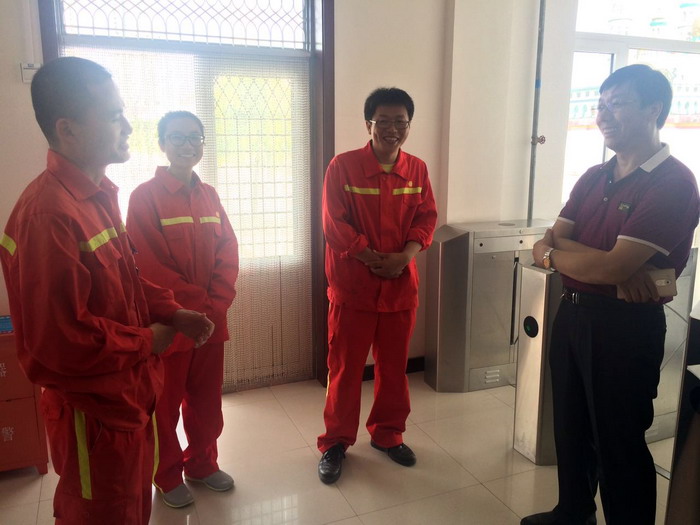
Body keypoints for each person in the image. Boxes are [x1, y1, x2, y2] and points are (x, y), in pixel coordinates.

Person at [0, 57, 215, 525]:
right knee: (101, 514)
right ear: (68, 129)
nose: (128, 126)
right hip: (92, 415)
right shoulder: (49, 215)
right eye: (114, 116)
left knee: (130, 510)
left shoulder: (95, 195)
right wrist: (150, 340)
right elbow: (61, 342)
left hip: (126, 398)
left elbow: (126, 281)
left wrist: (171, 311)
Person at [523, 64, 699, 525]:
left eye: (617, 104)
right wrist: (564, 253)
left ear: (654, 108)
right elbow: (553, 239)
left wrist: (559, 255)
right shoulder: (594, 176)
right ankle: (573, 511)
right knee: (571, 426)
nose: (603, 115)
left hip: (625, 326)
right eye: (600, 105)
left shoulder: (673, 183)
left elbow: (607, 265)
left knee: (618, 442)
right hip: (572, 314)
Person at [317, 87, 437, 484]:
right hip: (354, 288)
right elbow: (334, 224)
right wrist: (371, 258)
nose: (392, 129)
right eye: (383, 121)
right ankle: (335, 442)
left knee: (394, 369)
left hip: (399, 288)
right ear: (368, 124)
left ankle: (388, 434)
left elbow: (426, 218)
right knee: (345, 369)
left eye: (400, 122)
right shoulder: (343, 167)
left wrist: (404, 256)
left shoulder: (417, 169)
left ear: (409, 125)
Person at [126, 111, 239, 508]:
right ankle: (166, 474)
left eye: (195, 137)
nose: (187, 145)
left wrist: (215, 306)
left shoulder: (209, 195)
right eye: (177, 137)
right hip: (172, 324)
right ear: (161, 143)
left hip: (210, 323)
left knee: (207, 402)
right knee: (165, 405)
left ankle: (203, 464)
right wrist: (195, 309)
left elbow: (228, 251)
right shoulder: (144, 197)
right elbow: (149, 266)